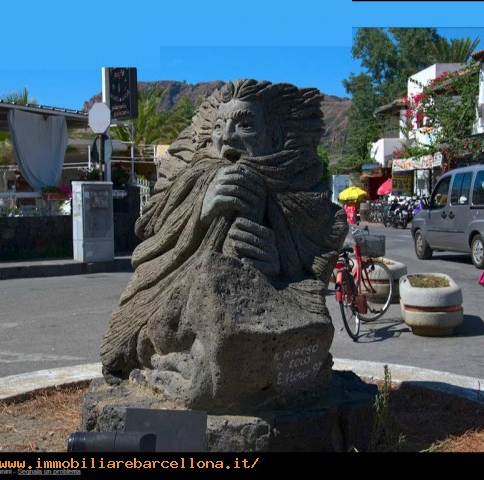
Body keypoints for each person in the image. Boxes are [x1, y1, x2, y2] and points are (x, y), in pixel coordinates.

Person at [99, 80, 347, 408]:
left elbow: (311, 279)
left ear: (274, 138)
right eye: (219, 126)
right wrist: (199, 212)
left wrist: (277, 269)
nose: (227, 136)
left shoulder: (305, 206)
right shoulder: (191, 181)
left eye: (244, 125)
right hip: (179, 315)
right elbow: (150, 243)